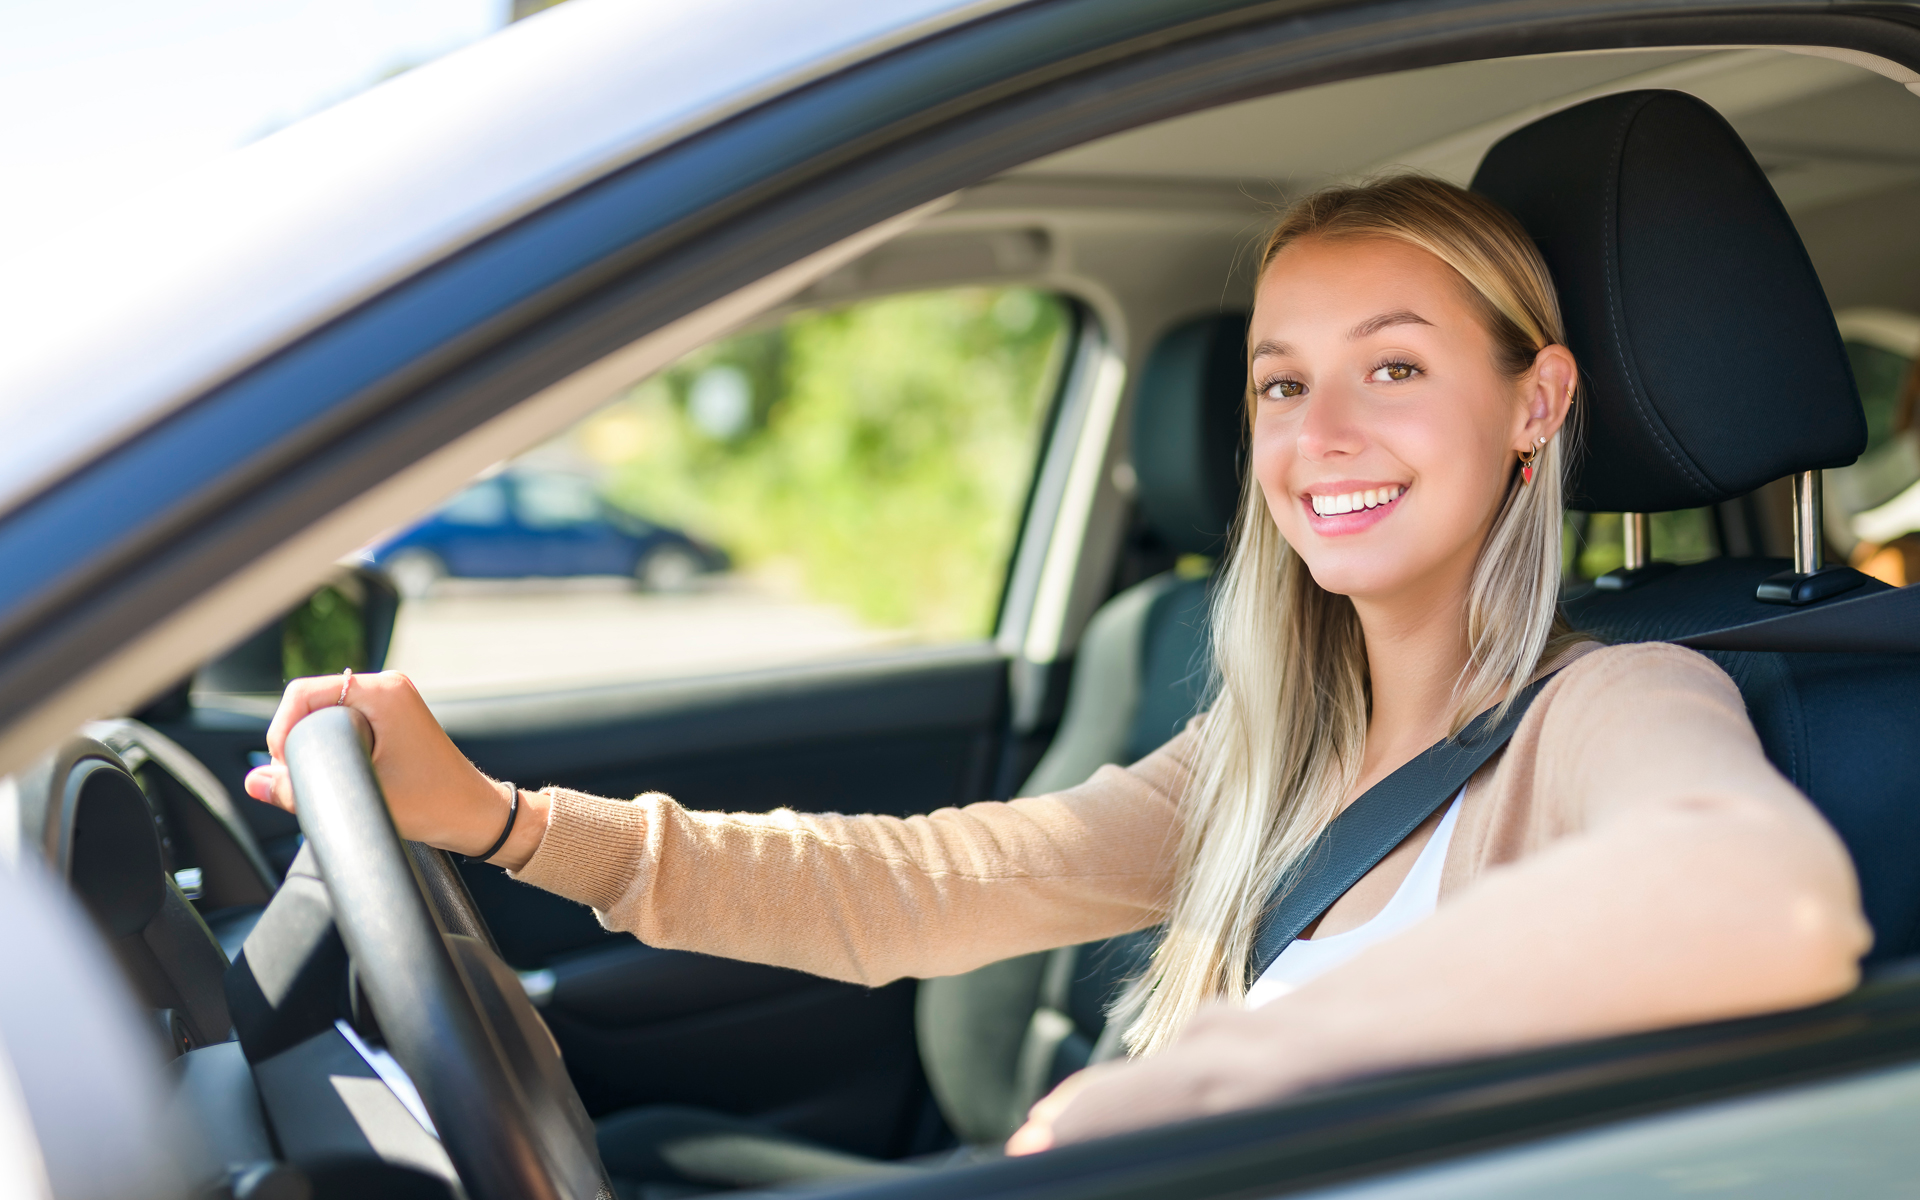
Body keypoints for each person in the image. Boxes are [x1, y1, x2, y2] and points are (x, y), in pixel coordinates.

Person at [245, 175, 1869, 1155]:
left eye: (1393, 368)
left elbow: (1765, 901)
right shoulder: (1271, 750)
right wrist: (506, 822)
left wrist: (1200, 1084)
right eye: (1280, 384)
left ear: (1536, 403)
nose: (1321, 433)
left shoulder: (1612, 704)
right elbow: (922, 889)